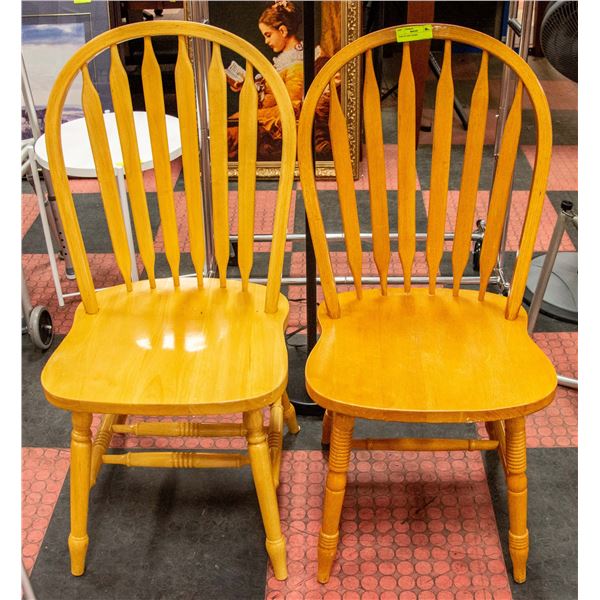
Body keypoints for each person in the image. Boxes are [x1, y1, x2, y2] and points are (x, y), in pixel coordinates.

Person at [226, 0, 304, 160]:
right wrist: (249, 88)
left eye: (268, 35)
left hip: (275, 126)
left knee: (227, 133)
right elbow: (273, 95)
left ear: (282, 31)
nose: (266, 41)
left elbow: (291, 107)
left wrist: (249, 114)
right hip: (267, 118)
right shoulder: (286, 60)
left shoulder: (296, 64)